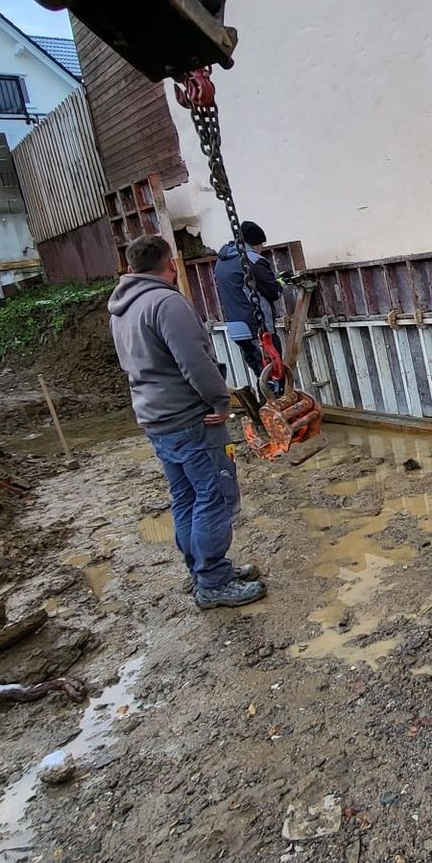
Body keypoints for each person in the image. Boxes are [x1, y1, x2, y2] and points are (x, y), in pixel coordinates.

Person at [108, 234, 265, 608]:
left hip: (156, 419)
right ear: (171, 265)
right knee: (214, 496)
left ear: (131, 268)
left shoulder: (121, 307)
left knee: (186, 497)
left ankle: (203, 570)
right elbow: (195, 362)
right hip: (192, 419)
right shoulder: (166, 303)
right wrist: (219, 400)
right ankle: (213, 581)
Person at [213, 220, 287, 393]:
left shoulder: (222, 261)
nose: (262, 248)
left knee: (261, 374)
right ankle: (275, 411)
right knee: (275, 373)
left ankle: (264, 410)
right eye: (261, 244)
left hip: (236, 327)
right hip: (257, 327)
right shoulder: (252, 259)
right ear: (256, 243)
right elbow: (273, 292)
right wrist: (280, 282)